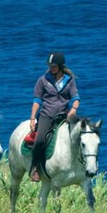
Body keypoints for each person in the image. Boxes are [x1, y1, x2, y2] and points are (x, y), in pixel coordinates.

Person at [29, 52, 80, 182]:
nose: (51, 68)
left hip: (64, 115)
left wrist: (73, 109)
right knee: (39, 141)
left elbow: (76, 98)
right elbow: (37, 101)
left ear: (60, 66)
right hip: (47, 115)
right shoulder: (43, 80)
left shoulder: (69, 81)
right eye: (50, 66)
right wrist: (32, 118)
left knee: (81, 135)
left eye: (54, 66)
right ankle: (35, 168)